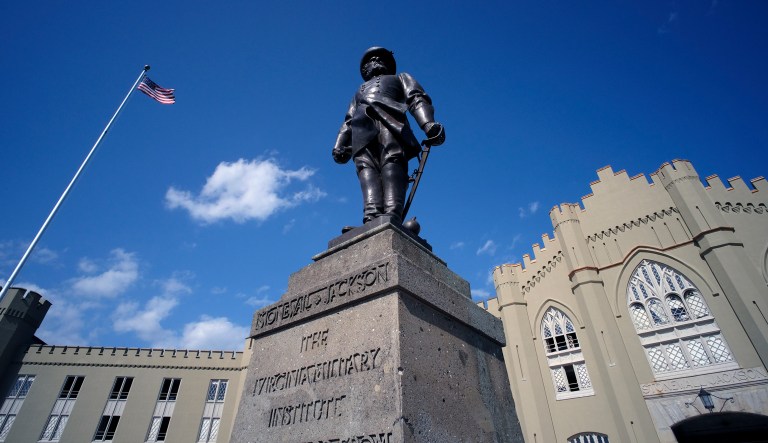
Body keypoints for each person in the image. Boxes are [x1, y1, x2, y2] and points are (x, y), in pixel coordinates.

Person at [332, 47, 445, 227]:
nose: (375, 60)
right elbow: (348, 120)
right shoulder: (359, 91)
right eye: (370, 60)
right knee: (366, 171)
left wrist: (428, 124)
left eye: (380, 58)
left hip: (391, 124)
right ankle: (371, 218)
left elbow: (417, 99)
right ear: (364, 70)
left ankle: (392, 214)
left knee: (392, 163)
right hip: (361, 133)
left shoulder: (401, 78)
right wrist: (339, 144)